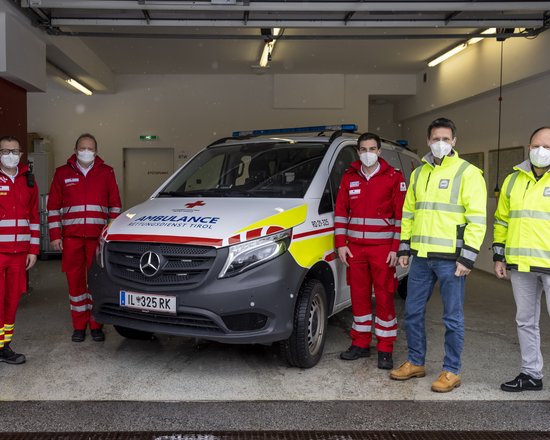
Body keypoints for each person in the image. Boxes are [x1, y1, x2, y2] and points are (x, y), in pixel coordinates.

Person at [390, 117, 487, 392]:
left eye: (446, 139)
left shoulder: (468, 173)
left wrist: (467, 257)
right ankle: (415, 361)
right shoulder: (419, 173)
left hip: (452, 260)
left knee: (452, 317)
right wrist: (405, 247)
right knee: (412, 312)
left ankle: (451, 370)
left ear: (455, 141)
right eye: (436, 139)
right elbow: (409, 212)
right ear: (428, 141)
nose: (441, 144)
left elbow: (477, 219)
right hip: (421, 257)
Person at [334, 132, 406, 369]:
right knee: (359, 297)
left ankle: (385, 349)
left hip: (383, 250)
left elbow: (401, 217)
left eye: (372, 149)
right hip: (355, 250)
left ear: (379, 151)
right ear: (358, 152)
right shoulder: (349, 177)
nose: (368, 154)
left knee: (385, 298)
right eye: (363, 149)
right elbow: (341, 212)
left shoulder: (393, 177)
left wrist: (395, 248)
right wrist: (341, 244)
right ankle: (361, 344)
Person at [48, 133, 121, 343]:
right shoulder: (62, 173)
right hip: (72, 239)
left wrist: (109, 236)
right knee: (75, 284)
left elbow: (115, 205)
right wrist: (55, 235)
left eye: (90, 148)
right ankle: (79, 326)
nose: (86, 152)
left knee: (97, 283)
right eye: (82, 148)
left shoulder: (106, 173)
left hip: (97, 240)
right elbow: (52, 207)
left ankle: (96, 325)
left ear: (96, 151)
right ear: (75, 150)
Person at [493, 126, 550, 392]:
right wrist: (499, 255)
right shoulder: (513, 180)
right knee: (525, 321)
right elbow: (502, 220)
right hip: (521, 266)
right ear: (529, 147)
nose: (541, 151)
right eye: (537, 145)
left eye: (548, 147)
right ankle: (531, 374)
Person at [0, 136, 39, 364]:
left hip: (20, 254)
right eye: (5, 151)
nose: (10, 155)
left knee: (12, 300)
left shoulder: (29, 180)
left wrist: (33, 249)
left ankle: (5, 346)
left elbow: (34, 218)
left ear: (21, 154)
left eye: (14, 151)